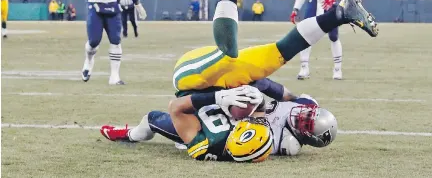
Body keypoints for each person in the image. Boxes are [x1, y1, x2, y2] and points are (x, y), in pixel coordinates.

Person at [171, 0, 377, 96]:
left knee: (227, 55)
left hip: (190, 76)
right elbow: (266, 87)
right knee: (281, 52)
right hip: (229, 79)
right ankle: (339, 14)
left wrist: (217, 98)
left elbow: (168, 113)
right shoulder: (243, 99)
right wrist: (295, 101)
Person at [101, 79, 338, 160]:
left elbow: (248, 132)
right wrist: (264, 85)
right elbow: (287, 95)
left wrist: (258, 103)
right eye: (309, 114)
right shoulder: (305, 104)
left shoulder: (287, 143)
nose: (302, 115)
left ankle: (129, 134)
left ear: (306, 137)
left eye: (306, 123)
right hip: (228, 103)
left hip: (219, 128)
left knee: (153, 120)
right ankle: (133, 134)